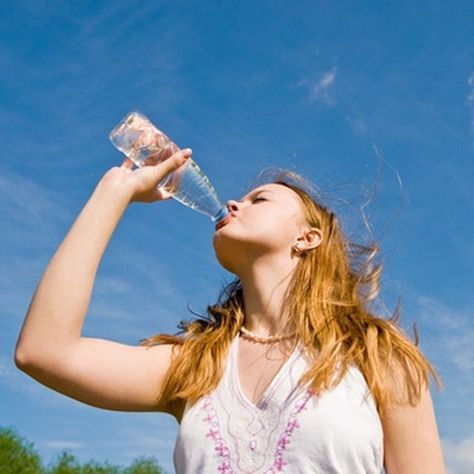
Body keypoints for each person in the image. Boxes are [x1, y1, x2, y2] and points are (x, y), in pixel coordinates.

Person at [15, 148, 446, 473]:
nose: (235, 203)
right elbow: (44, 352)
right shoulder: (195, 365)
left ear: (308, 238)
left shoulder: (377, 355)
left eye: (260, 200)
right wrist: (114, 191)